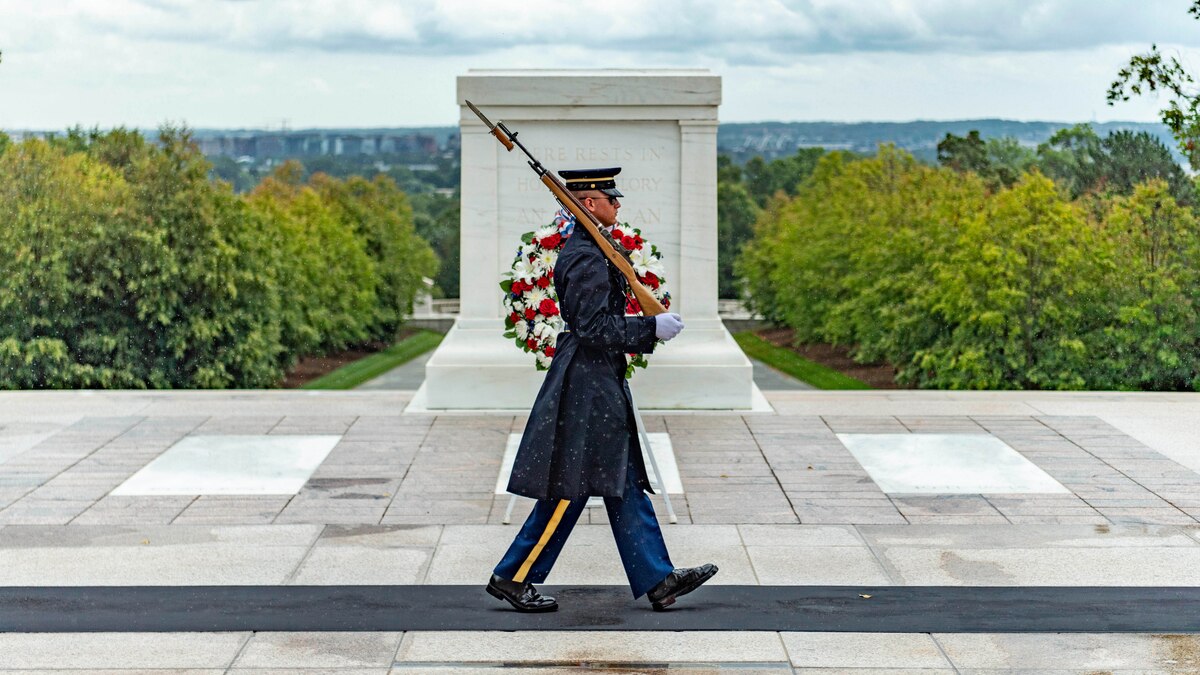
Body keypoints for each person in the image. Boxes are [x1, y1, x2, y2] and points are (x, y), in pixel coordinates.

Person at [486, 167, 717, 613]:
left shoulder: (594, 248)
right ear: (589, 204)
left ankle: (658, 579)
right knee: (571, 486)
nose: (618, 204)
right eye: (611, 198)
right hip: (587, 383)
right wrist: (650, 327)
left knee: (621, 479)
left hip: (597, 376)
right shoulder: (586, 257)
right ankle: (513, 576)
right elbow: (593, 327)